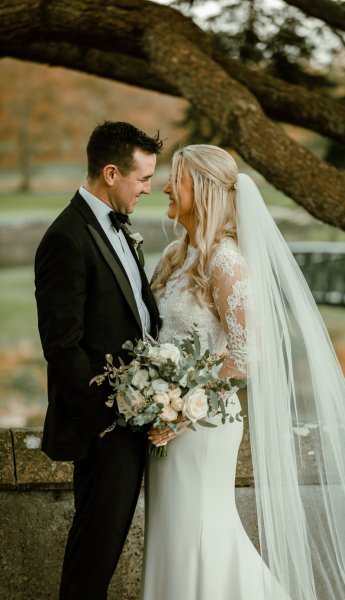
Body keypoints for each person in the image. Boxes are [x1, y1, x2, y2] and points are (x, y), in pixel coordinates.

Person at [141, 144, 345, 600]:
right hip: (167, 423)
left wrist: (182, 403)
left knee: (202, 530)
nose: (164, 186)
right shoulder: (173, 258)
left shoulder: (226, 263)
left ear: (199, 189)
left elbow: (244, 356)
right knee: (173, 532)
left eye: (174, 178)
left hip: (202, 424)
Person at [35, 121, 162, 600]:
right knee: (93, 557)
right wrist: (104, 421)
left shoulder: (119, 228)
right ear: (111, 173)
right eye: (143, 178)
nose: (149, 188)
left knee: (102, 553)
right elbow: (62, 345)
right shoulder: (66, 238)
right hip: (105, 429)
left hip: (137, 420)